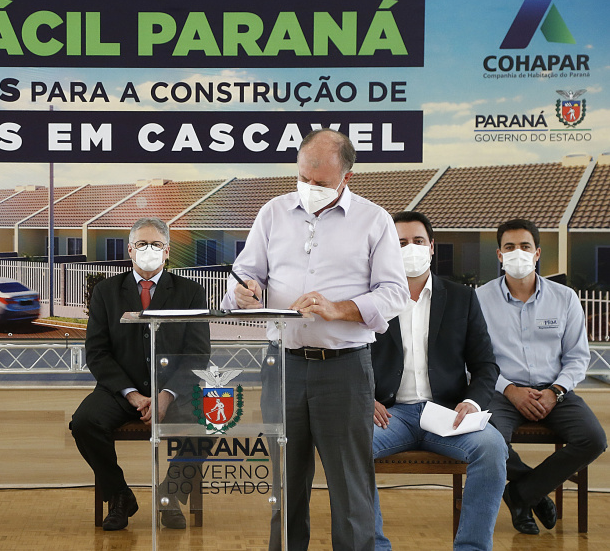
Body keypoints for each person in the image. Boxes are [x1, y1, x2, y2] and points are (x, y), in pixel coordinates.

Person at [222, 129, 410, 551]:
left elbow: (395, 293)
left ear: (346, 177)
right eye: (303, 178)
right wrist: (242, 292)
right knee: (285, 484)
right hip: (282, 366)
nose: (309, 188)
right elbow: (244, 275)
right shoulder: (272, 213)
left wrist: (339, 308)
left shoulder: (374, 220)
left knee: (350, 489)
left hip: (344, 369)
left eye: (320, 182)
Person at [370, 211, 507, 551]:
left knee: (492, 448)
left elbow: (485, 365)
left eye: (418, 241)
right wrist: (362, 398)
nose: (410, 248)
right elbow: (350, 358)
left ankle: (472, 547)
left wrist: (472, 402)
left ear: (432, 247)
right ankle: (374, 546)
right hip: (388, 415)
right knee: (350, 447)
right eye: (401, 242)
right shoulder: (371, 299)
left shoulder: (462, 298)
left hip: (448, 414)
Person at [70, 217, 211, 531]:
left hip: (174, 390)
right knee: (84, 422)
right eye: (142, 244)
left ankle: (170, 495)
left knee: (212, 421)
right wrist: (132, 394)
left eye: (156, 244)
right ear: (130, 250)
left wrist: (166, 395)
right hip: (120, 391)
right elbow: (97, 352)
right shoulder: (106, 291)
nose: (149, 250)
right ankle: (119, 496)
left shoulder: (191, 292)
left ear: (167, 251)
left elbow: (198, 353)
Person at [477, 218, 607, 535]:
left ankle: (521, 494)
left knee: (594, 439)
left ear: (537, 253)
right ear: (499, 255)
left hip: (556, 391)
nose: (517, 253)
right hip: (502, 392)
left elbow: (578, 357)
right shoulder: (479, 299)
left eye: (525, 246)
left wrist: (555, 391)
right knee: (486, 440)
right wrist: (510, 390)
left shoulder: (565, 298)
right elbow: (475, 360)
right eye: (509, 247)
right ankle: (531, 490)